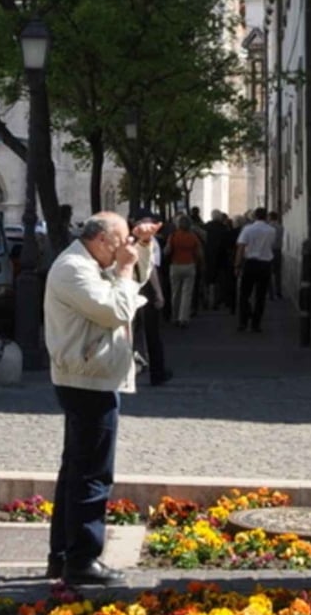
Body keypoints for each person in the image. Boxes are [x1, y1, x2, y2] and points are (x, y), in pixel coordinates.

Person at [43, 211, 149, 585]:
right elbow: (116, 309)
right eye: (120, 242)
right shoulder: (74, 268)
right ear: (102, 240)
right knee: (92, 473)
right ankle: (82, 558)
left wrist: (141, 248)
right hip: (87, 381)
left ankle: (61, 555)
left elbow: (135, 284)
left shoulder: (90, 262)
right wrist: (123, 271)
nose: (124, 250)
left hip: (92, 377)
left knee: (75, 470)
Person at [129, 213, 167, 387]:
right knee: (151, 333)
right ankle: (156, 372)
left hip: (127, 287)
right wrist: (159, 293)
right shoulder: (151, 243)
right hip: (143, 288)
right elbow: (152, 269)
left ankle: (126, 371)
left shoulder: (127, 241)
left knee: (127, 331)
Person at [234, 207, 278, 333]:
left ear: (254, 216)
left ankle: (243, 322)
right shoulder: (271, 230)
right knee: (260, 296)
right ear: (266, 217)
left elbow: (241, 248)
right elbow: (272, 245)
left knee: (244, 294)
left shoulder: (247, 229)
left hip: (250, 263)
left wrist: (237, 265)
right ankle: (256, 324)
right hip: (265, 264)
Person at [166, 215, 203, 329]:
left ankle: (175, 316)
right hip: (189, 265)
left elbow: (167, 251)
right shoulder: (193, 237)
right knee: (187, 293)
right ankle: (184, 318)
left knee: (175, 292)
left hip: (176, 265)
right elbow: (199, 252)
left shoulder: (173, 236)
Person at [268, 211, 285, 301]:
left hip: (269, 250)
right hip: (278, 250)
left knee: (269, 273)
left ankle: (271, 293)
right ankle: (278, 292)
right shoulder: (280, 227)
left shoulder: (268, 227)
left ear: (270, 217)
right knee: (278, 273)